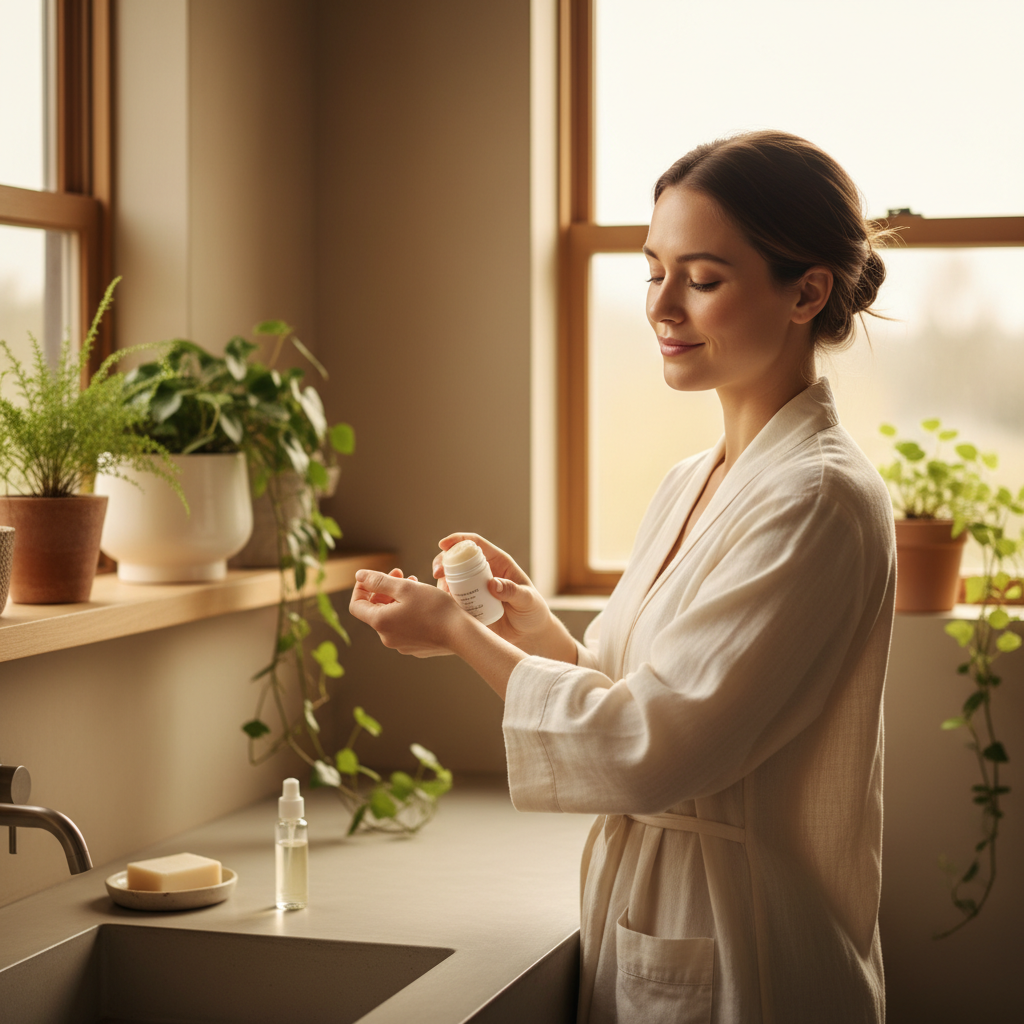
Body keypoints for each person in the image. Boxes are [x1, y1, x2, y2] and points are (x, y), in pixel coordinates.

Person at [349, 130, 896, 1024]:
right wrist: (523, 626)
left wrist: (458, 637)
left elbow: (646, 746)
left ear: (807, 291)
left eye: (703, 279)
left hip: (743, 945)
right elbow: (634, 689)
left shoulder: (818, 498)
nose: (662, 307)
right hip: (660, 915)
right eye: (654, 271)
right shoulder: (697, 478)